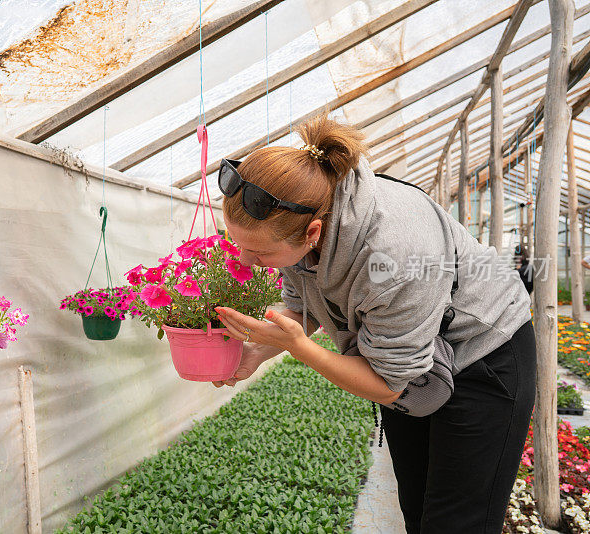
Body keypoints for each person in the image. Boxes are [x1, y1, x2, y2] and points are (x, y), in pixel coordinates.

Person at [211, 113, 535, 534]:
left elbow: (388, 383)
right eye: (239, 244)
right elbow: (301, 309)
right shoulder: (296, 219)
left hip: (485, 350)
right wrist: (255, 353)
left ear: (312, 231)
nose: (244, 260)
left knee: (458, 522)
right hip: (409, 352)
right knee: (416, 506)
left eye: (257, 252)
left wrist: (299, 347)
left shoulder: (394, 253)